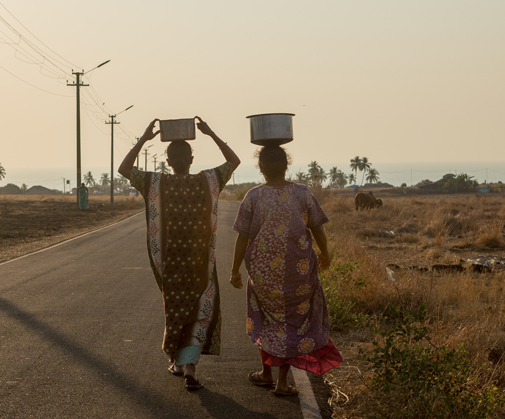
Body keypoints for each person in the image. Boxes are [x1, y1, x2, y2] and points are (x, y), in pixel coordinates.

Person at [118, 116, 240, 390]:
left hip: (171, 265)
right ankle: (190, 367)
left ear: (168, 162)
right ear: (192, 159)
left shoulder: (156, 183)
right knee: (198, 312)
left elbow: (124, 168)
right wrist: (211, 133)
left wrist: (144, 139)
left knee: (175, 312)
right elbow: (234, 161)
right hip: (200, 264)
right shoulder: (207, 181)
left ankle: (177, 359)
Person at [230, 145, 343, 396]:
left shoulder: (253, 196)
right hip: (298, 273)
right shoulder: (302, 193)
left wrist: (234, 270)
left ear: (260, 169)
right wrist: (325, 254)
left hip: (262, 276)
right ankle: (281, 382)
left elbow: (242, 238)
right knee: (292, 322)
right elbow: (317, 228)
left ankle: (266, 374)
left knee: (268, 320)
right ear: (287, 165)